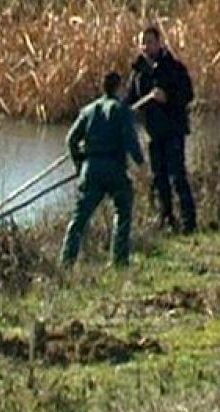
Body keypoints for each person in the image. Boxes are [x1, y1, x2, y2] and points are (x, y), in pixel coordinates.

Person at [60, 71, 145, 267]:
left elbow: (71, 140)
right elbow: (131, 141)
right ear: (119, 87)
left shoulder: (88, 111)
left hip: (91, 169)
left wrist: (79, 164)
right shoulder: (121, 110)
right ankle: (119, 260)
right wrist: (141, 164)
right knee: (123, 210)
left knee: (79, 218)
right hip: (114, 169)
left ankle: (66, 262)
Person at [126, 26, 197, 234]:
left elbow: (188, 95)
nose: (145, 47)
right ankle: (166, 219)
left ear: (159, 43)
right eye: (142, 42)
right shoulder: (138, 73)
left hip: (173, 130)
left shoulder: (174, 67)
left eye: (149, 42)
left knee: (177, 176)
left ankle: (189, 223)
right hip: (153, 133)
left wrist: (167, 98)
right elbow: (130, 100)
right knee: (159, 178)